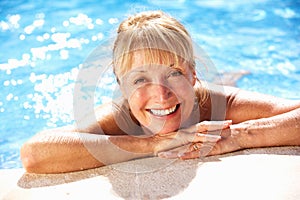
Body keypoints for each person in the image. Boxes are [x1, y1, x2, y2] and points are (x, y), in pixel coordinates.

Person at [21, 10, 300, 174]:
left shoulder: (219, 103)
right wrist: (154, 144)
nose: (161, 94)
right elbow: (34, 154)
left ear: (193, 74)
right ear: (121, 85)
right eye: (140, 79)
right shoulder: (122, 117)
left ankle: (230, 77)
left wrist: (241, 134)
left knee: (228, 84)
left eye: (174, 73)